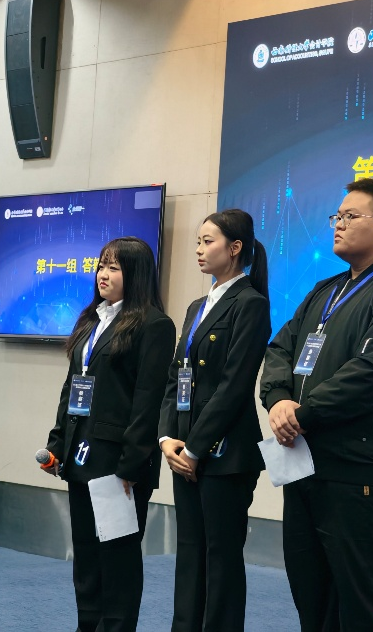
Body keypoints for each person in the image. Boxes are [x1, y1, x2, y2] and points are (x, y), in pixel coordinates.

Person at [259, 179, 373, 632]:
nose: (338, 224)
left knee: (363, 596)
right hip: (304, 465)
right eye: (336, 216)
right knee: (310, 591)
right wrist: (278, 400)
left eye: (350, 216)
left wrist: (300, 415)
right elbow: (280, 350)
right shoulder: (324, 291)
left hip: (360, 472)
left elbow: (371, 374)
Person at [43, 237, 176, 632]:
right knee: (86, 558)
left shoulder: (154, 324)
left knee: (117, 560)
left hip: (119, 464)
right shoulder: (91, 319)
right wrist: (58, 442)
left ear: (135, 274)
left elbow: (148, 400)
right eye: (101, 265)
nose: (103, 274)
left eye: (114, 267)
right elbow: (72, 387)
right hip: (80, 456)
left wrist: (130, 466)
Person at [158, 209, 272, 632]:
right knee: (190, 551)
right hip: (185, 449)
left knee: (221, 558)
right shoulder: (196, 306)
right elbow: (176, 377)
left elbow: (234, 386)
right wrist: (167, 437)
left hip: (225, 454)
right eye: (198, 241)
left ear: (235, 247)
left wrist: (194, 448)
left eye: (208, 242)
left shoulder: (250, 303)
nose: (199, 250)